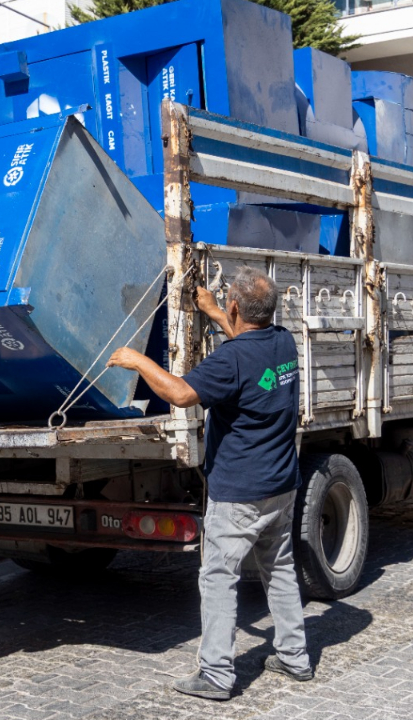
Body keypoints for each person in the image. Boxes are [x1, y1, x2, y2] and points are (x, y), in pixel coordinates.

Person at [107, 266, 311, 701]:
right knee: (279, 568)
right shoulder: (284, 342)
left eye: (228, 304)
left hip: (240, 492)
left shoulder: (231, 360)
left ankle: (217, 675)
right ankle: (295, 657)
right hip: (281, 484)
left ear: (238, 307)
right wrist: (217, 313)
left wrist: (137, 359)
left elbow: (180, 394)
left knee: (219, 577)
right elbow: (247, 345)